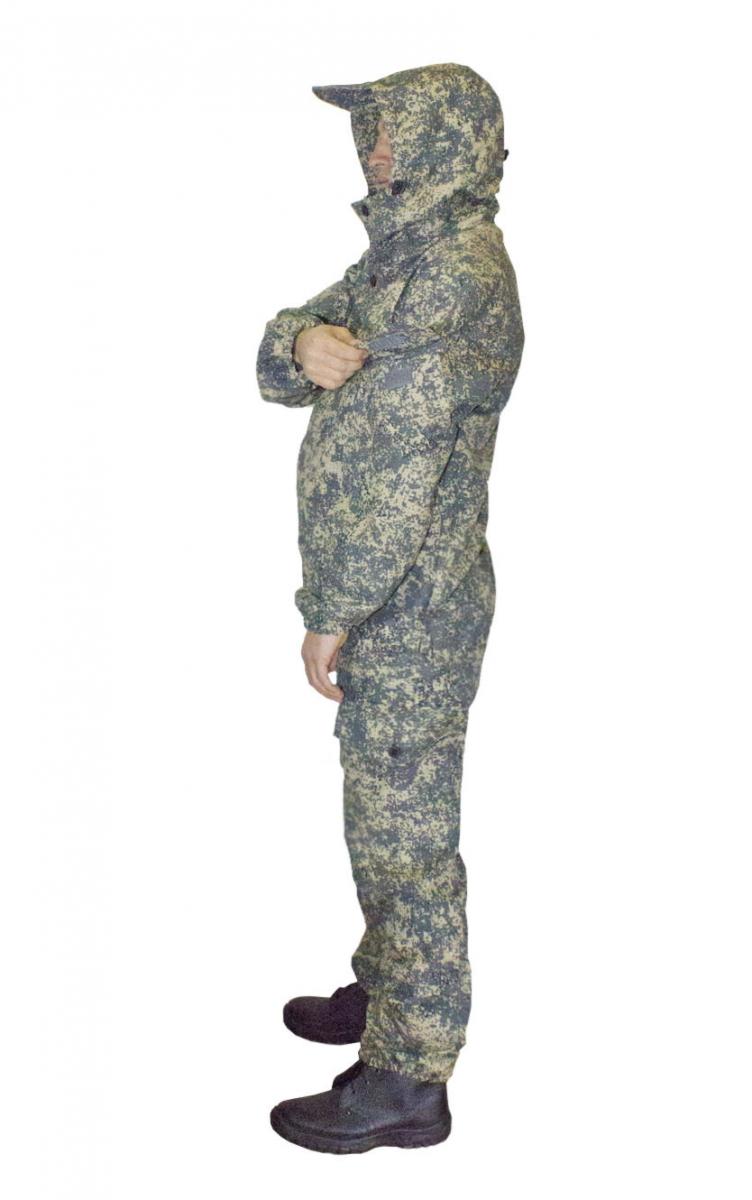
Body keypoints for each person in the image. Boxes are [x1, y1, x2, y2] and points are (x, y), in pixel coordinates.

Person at [256, 62, 525, 1154]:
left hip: (403, 602)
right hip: (396, 597)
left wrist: (329, 609)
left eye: (392, 133)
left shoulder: (449, 272)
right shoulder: (403, 256)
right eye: (369, 133)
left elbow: (391, 462)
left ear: (445, 142)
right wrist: (298, 341)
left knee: (406, 842)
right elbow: (299, 348)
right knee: (382, 817)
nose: (371, 152)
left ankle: (410, 1075)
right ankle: (387, 988)